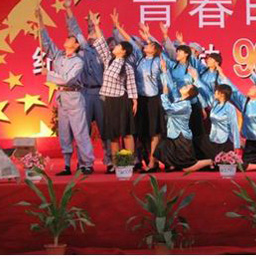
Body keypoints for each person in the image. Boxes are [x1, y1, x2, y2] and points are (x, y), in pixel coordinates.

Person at [36, 8, 95, 175]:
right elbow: (47, 44)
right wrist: (40, 22)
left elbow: (67, 79)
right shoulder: (59, 57)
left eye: (71, 39)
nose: (67, 39)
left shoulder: (78, 61)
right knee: (64, 133)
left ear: (76, 45)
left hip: (74, 96)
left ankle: (86, 164)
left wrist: (49, 74)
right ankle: (67, 165)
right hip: (61, 98)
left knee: (80, 132)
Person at [64, 0, 113, 173]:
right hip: (84, 93)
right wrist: (68, 9)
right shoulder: (83, 50)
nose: (91, 36)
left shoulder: (104, 52)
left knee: (106, 130)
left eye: (94, 33)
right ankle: (85, 163)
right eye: (89, 33)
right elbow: (75, 29)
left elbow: (100, 38)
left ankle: (110, 161)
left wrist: (96, 26)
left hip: (101, 94)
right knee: (81, 129)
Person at [112, 12, 165, 172]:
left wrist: (149, 36)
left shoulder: (159, 61)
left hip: (154, 99)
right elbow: (129, 40)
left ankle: (153, 162)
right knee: (141, 132)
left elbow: (160, 51)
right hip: (140, 99)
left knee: (154, 132)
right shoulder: (140, 57)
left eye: (148, 45)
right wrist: (118, 26)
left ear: (154, 49)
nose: (144, 45)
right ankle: (141, 160)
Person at [89, 14, 138, 165]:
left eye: (117, 46)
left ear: (123, 51)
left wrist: (135, 101)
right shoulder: (108, 60)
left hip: (122, 101)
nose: (114, 47)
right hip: (109, 101)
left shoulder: (127, 66)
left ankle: (129, 162)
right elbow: (101, 43)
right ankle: (118, 164)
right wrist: (96, 25)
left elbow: (131, 85)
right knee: (113, 135)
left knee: (127, 133)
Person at [159, 23, 211, 159]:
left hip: (193, 104)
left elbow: (197, 88)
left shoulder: (193, 67)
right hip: (178, 103)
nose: (176, 53)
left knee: (197, 131)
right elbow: (162, 54)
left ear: (186, 54)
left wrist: (202, 107)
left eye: (179, 52)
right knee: (179, 133)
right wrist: (163, 35)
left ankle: (203, 159)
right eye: (177, 51)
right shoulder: (173, 66)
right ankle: (180, 158)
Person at [153, 60, 213, 172]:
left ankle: (210, 161)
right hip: (173, 134)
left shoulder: (185, 105)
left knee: (188, 167)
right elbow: (170, 86)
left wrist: (164, 95)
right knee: (160, 151)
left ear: (188, 93)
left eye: (186, 87)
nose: (184, 86)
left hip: (181, 138)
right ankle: (173, 165)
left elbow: (168, 109)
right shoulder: (179, 99)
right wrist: (164, 71)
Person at [190, 68, 240, 158]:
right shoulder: (215, 103)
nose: (214, 92)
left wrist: (236, 145)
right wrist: (196, 79)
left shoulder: (230, 108)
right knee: (197, 141)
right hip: (213, 138)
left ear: (222, 94)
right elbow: (206, 91)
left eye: (216, 91)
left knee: (222, 161)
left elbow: (234, 126)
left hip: (224, 141)